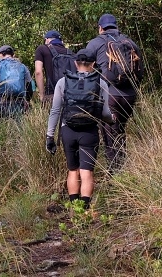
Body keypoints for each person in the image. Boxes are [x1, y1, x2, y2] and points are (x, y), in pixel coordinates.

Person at [45, 48, 113, 209]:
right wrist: (111, 120)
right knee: (86, 171)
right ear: (93, 64)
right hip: (89, 132)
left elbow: (55, 110)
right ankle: (84, 209)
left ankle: (74, 207)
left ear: (75, 63)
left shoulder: (63, 82)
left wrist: (49, 136)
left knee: (73, 170)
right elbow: (105, 113)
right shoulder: (100, 82)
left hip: (68, 131)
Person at [84, 13, 144, 173]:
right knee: (120, 130)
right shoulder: (130, 42)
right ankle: (121, 168)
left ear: (100, 28)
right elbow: (140, 72)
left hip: (110, 96)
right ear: (116, 26)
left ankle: (116, 176)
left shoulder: (96, 43)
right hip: (130, 95)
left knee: (110, 135)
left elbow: (85, 69)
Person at [0, 45, 34, 119]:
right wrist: (27, 101)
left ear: (0, 54)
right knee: (17, 129)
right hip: (18, 105)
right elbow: (29, 88)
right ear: (13, 55)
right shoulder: (23, 67)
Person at [34, 30, 75, 109]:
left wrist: (42, 95)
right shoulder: (71, 53)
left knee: (52, 120)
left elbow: (38, 72)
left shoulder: (42, 49)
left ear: (47, 39)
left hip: (51, 95)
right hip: (71, 96)